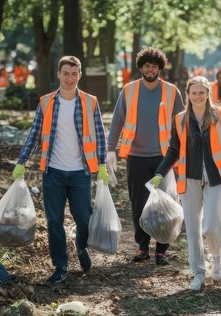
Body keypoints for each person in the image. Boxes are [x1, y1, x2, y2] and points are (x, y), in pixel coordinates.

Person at [12, 56, 108, 283]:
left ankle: (81, 245)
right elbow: (34, 134)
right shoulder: (46, 102)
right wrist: (21, 161)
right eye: (66, 73)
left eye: (74, 73)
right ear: (58, 74)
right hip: (52, 172)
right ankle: (60, 266)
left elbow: (100, 135)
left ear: (80, 75)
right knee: (54, 221)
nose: (70, 78)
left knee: (84, 218)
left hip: (80, 172)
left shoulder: (89, 102)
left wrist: (102, 163)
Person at [148, 76, 221, 291]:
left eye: (202, 92)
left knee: (211, 225)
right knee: (193, 229)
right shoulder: (180, 119)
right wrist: (160, 173)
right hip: (189, 178)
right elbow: (173, 150)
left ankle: (217, 258)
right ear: (188, 95)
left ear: (208, 94)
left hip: (216, 178)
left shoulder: (220, 116)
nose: (198, 96)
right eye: (194, 92)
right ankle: (198, 273)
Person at [106, 47, 185, 266]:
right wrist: (110, 148)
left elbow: (182, 124)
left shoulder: (172, 91)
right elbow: (117, 121)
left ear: (160, 68)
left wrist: (184, 151)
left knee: (165, 204)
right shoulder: (129, 90)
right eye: (146, 66)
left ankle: (161, 250)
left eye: (154, 66)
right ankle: (143, 247)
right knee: (139, 204)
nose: (150, 70)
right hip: (136, 155)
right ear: (141, 67)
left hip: (164, 157)